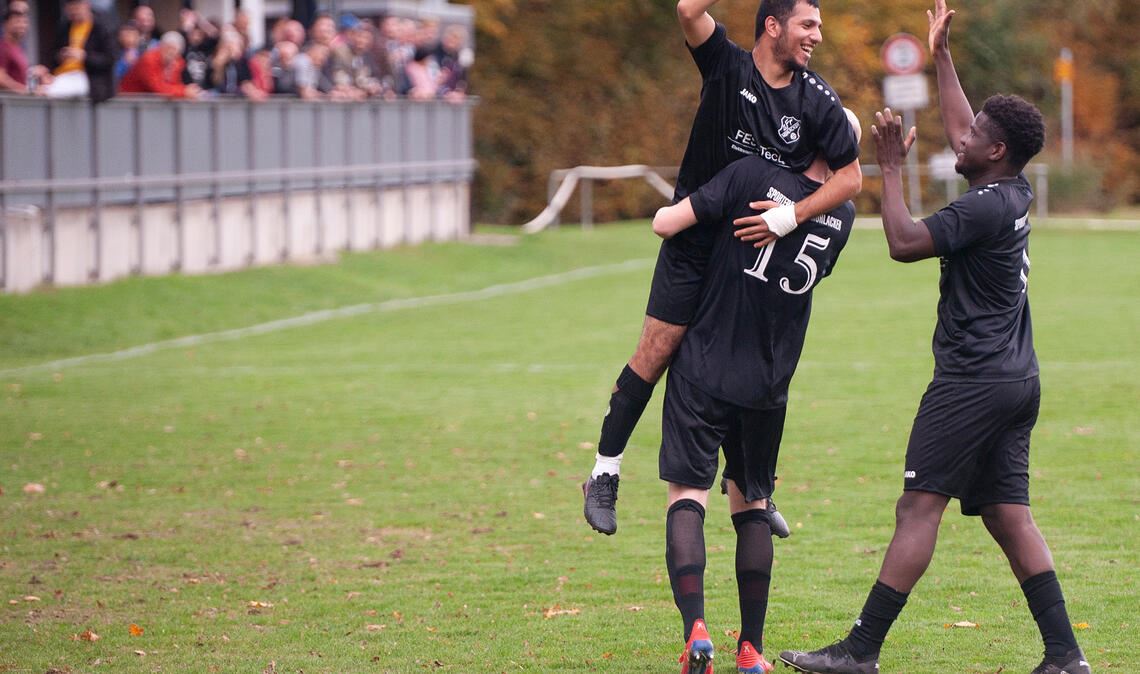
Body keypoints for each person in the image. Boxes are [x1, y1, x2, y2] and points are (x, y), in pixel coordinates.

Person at [777, 4, 1091, 674]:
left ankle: (859, 652)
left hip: (971, 383)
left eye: (977, 132)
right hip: (1016, 380)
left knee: (918, 507)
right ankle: (1066, 656)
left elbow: (904, 242)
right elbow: (961, 126)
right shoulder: (1010, 190)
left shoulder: (980, 207)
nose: (963, 133)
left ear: (997, 152)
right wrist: (941, 55)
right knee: (1010, 517)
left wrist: (887, 169)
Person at [582, 0, 862, 537]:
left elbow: (849, 179)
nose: (817, 37)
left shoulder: (817, 97)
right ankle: (604, 471)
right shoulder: (726, 65)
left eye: (821, 26)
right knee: (657, 352)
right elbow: (687, 10)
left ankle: (752, 487)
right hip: (694, 239)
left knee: (748, 365)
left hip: (748, 245)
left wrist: (791, 217)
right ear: (773, 26)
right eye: (808, 25)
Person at [655, 110, 860, 674]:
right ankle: (752, 649)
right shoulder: (842, 216)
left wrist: (671, 211)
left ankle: (697, 628)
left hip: (704, 364)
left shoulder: (749, 175)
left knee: (687, 496)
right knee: (753, 505)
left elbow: (669, 223)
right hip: (769, 382)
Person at [43, 0, 116, 102]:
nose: (73, 11)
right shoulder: (64, 28)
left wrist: (84, 57)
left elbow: (110, 59)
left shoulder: (101, 28)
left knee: (48, 92)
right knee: (35, 88)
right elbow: (52, 55)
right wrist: (60, 56)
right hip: (62, 75)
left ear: (87, 5)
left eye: (77, 6)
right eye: (70, 7)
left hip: (88, 77)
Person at [119, 31, 200, 99]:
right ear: (161, 46)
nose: (172, 54)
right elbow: (158, 89)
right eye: (169, 48)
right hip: (127, 102)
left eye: (176, 52)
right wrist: (184, 91)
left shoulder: (178, 62)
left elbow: (173, 85)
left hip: (147, 104)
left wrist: (188, 91)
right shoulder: (149, 60)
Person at [0, 6, 29, 93]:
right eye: (17, 21)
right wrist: (25, 90)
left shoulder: (18, 48)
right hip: (8, 104)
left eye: (25, 22)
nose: (22, 25)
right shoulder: (3, 47)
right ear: (6, 24)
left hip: (19, 102)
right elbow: (1, 78)